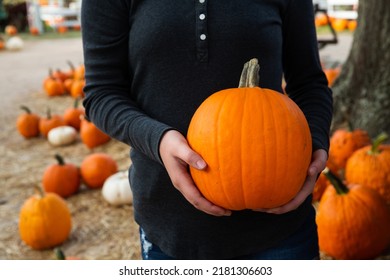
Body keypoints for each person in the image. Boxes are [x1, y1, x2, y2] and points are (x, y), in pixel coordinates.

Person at [81, 0, 333, 260]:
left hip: (281, 227)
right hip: (171, 224)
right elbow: (102, 94)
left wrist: (313, 146)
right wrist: (158, 140)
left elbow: (309, 84)